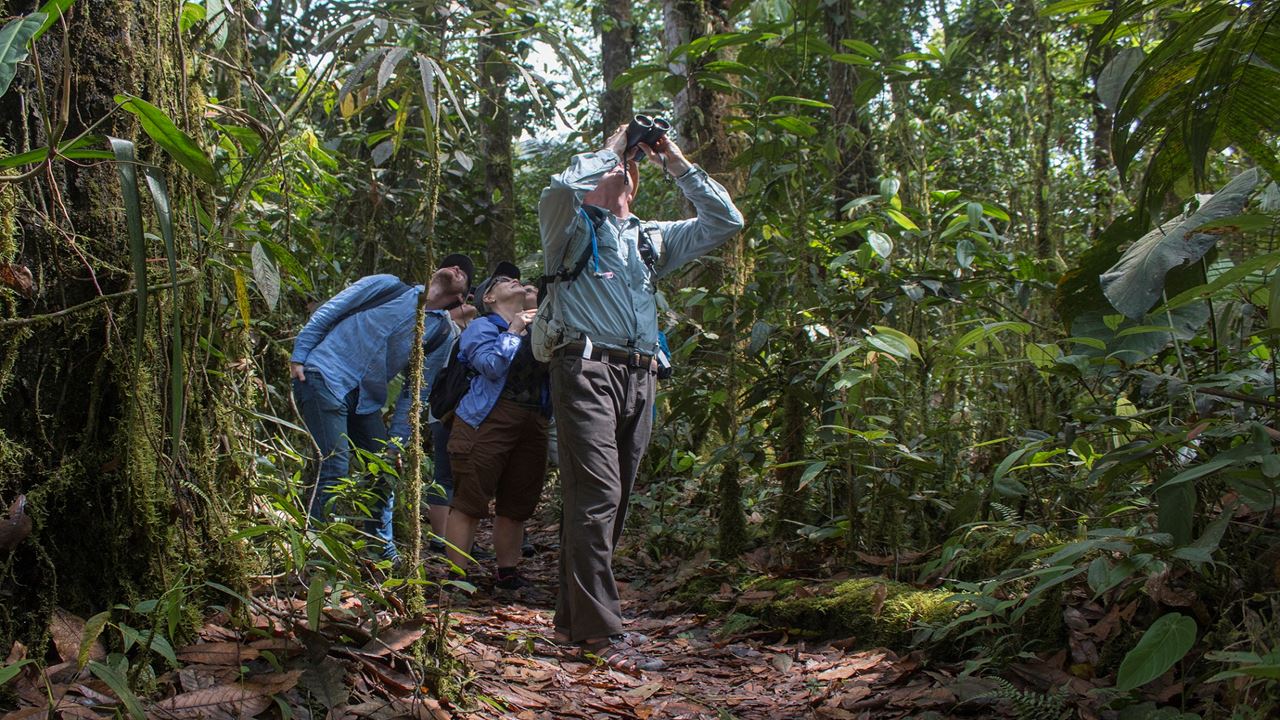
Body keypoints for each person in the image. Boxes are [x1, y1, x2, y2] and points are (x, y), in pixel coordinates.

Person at [538, 125, 744, 670]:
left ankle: (571, 621)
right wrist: (609, 148)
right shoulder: (568, 223)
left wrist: (671, 156)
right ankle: (601, 633)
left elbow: (726, 221)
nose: (618, 169)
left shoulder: (652, 237)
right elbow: (561, 186)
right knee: (599, 492)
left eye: (628, 165)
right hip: (584, 368)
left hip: (641, 376)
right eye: (612, 164)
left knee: (611, 497)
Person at [290, 254, 475, 564]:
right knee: (335, 466)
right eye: (453, 264)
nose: (457, 268)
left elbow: (415, 392)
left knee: (385, 468)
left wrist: (396, 442)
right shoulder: (387, 286)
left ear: (461, 296)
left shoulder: (440, 332)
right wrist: (299, 353)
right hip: (324, 373)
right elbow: (332, 309)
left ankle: (380, 548)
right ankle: (314, 551)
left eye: (464, 273)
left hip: (364, 401)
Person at [444, 262, 551, 590]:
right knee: (470, 499)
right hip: (487, 419)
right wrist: (514, 330)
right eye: (504, 281)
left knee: (517, 502)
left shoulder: (541, 328)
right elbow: (491, 366)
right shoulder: (481, 328)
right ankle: (455, 577)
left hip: (533, 420)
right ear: (488, 297)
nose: (515, 281)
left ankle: (508, 572)